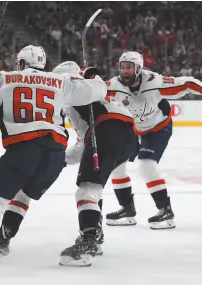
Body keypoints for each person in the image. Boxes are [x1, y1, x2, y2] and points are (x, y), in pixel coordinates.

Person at [0, 46, 108, 266]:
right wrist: (89, 74)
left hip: (23, 149)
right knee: (22, 196)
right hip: (55, 155)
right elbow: (99, 90)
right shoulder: (61, 82)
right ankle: (5, 239)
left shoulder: (6, 78)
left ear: (20, 63)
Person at [105, 51, 202, 230]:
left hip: (157, 128)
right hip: (132, 128)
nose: (124, 71)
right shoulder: (114, 86)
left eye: (129, 67)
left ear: (138, 68)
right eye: (122, 67)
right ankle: (127, 209)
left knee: (146, 165)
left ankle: (165, 210)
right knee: (116, 165)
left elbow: (187, 83)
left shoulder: (155, 83)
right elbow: (94, 92)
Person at [50, 61, 136, 266]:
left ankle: (87, 244)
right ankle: (95, 237)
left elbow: (83, 143)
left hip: (107, 130)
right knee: (95, 187)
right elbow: (84, 145)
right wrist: (61, 160)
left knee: (87, 190)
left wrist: (57, 160)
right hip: (129, 135)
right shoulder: (94, 91)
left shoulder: (72, 97)